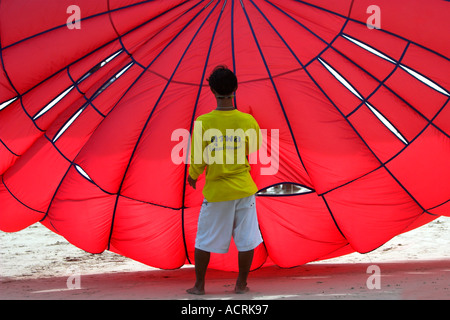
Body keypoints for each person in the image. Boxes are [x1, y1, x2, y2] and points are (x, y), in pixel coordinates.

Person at [186, 66, 263, 295]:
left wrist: (193, 175)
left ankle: (199, 286)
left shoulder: (203, 122)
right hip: (243, 189)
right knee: (247, 238)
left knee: (204, 239)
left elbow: (198, 157)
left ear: (211, 90)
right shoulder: (247, 120)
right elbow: (255, 147)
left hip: (217, 191)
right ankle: (241, 285)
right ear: (235, 88)